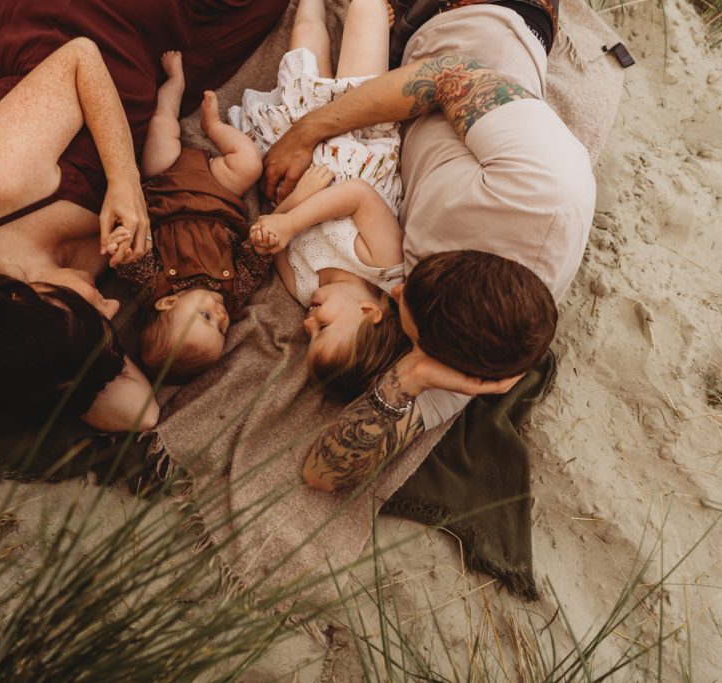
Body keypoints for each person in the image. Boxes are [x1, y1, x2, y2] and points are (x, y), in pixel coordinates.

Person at [259, 0, 595, 491]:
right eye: (406, 294)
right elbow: (446, 75)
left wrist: (412, 376)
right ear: (459, 260)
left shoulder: (475, 345)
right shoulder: (542, 185)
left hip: (396, 76)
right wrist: (307, 131)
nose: (392, 291)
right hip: (479, 14)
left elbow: (321, 474)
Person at [0, 0, 289, 432]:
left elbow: (79, 56)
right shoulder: (49, 312)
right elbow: (143, 414)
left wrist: (123, 180)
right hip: (147, 62)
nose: (111, 304)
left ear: (23, 297)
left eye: (92, 313)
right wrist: (71, 383)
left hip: (87, 18)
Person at [233, 0, 410, 397]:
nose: (308, 325)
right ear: (369, 312)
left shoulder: (302, 287)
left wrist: (286, 214)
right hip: (363, 131)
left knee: (304, 45)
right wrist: (291, 222)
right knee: (367, 14)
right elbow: (358, 196)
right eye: (323, 330)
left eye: (309, 337)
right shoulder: (384, 266)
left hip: (298, 130)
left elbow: (273, 233)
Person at [106, 52, 270, 383]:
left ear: (167, 303)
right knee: (250, 163)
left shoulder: (154, 286)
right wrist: (262, 246)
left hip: (165, 184)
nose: (222, 316)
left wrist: (123, 248)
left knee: (162, 127)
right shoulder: (233, 293)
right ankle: (215, 127)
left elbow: (133, 262)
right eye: (222, 327)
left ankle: (175, 84)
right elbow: (253, 265)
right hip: (217, 191)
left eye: (206, 317)